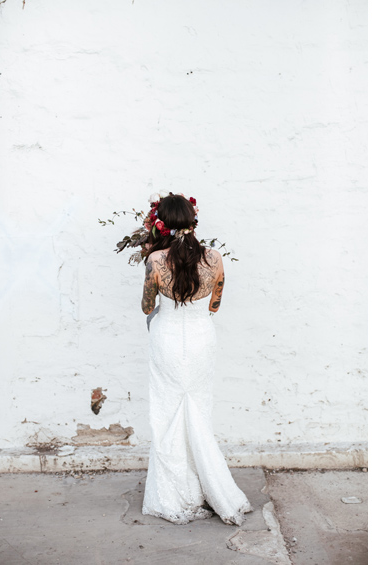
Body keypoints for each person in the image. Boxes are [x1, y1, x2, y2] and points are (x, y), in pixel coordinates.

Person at [139, 193, 252, 525]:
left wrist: (153, 266)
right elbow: (215, 305)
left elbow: (147, 308)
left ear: (162, 223)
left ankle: (175, 492)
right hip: (203, 338)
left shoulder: (155, 261)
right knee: (198, 410)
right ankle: (210, 487)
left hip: (167, 339)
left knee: (167, 413)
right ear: (193, 220)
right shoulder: (215, 258)